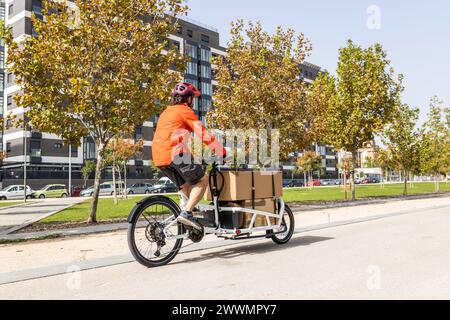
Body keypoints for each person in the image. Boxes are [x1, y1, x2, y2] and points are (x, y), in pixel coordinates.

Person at [152, 82, 227, 228]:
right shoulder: (184, 111)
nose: (193, 101)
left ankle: (186, 220)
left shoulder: (166, 112)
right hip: (176, 154)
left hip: (159, 157)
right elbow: (203, 133)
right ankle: (186, 213)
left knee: (186, 186)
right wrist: (221, 152)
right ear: (188, 99)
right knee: (202, 180)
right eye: (192, 98)